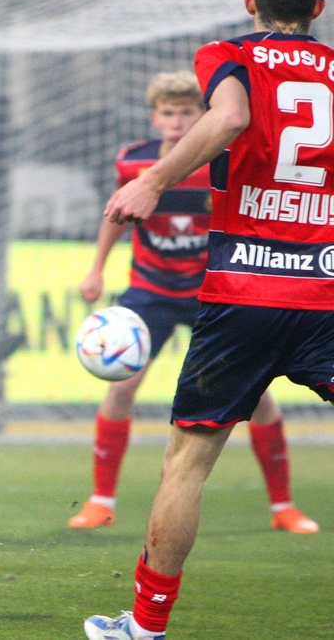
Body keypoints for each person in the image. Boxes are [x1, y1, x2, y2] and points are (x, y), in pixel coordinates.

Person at [84, 0, 333, 638]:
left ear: (250, 1)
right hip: (325, 291)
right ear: (320, 6)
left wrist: (154, 180)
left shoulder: (229, 56)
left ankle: (144, 627)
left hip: (242, 291)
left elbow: (227, 119)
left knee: (188, 462)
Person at [70, 71, 317, 534]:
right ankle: (100, 501)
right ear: (154, 117)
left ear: (203, 116)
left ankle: (283, 506)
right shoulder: (133, 162)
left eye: (187, 112)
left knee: (257, 393)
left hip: (212, 291)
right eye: (168, 112)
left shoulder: (220, 162)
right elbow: (118, 214)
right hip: (151, 291)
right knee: (121, 388)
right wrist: (96, 268)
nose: (177, 121)